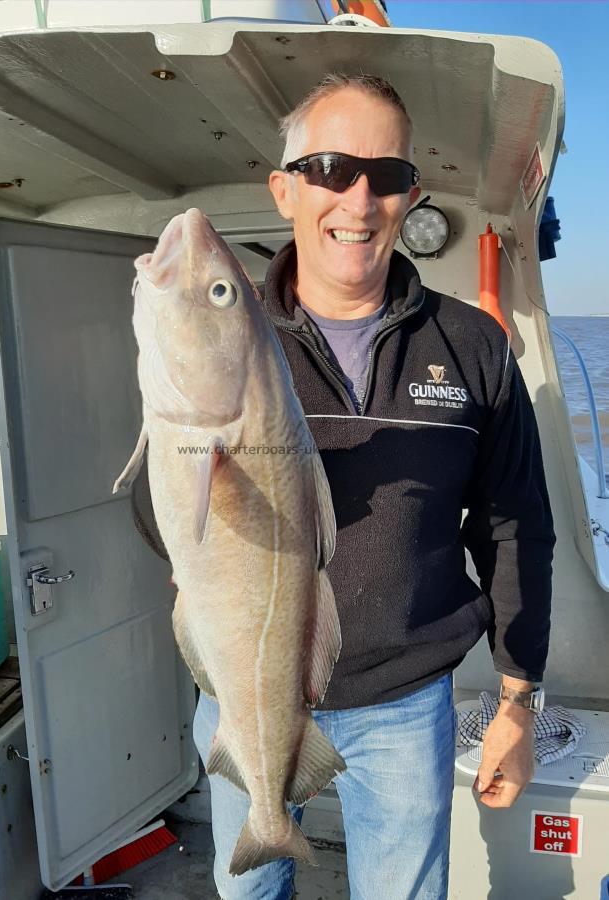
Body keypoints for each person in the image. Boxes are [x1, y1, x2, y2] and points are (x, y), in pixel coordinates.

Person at [136, 73, 555, 900]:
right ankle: (266, 820)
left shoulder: (470, 345)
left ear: (410, 195)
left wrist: (517, 701)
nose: (357, 201)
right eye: (330, 168)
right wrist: (190, 446)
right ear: (284, 188)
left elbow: (514, 527)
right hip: (242, 696)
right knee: (248, 890)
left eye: (387, 176)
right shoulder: (229, 345)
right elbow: (155, 526)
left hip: (405, 705)